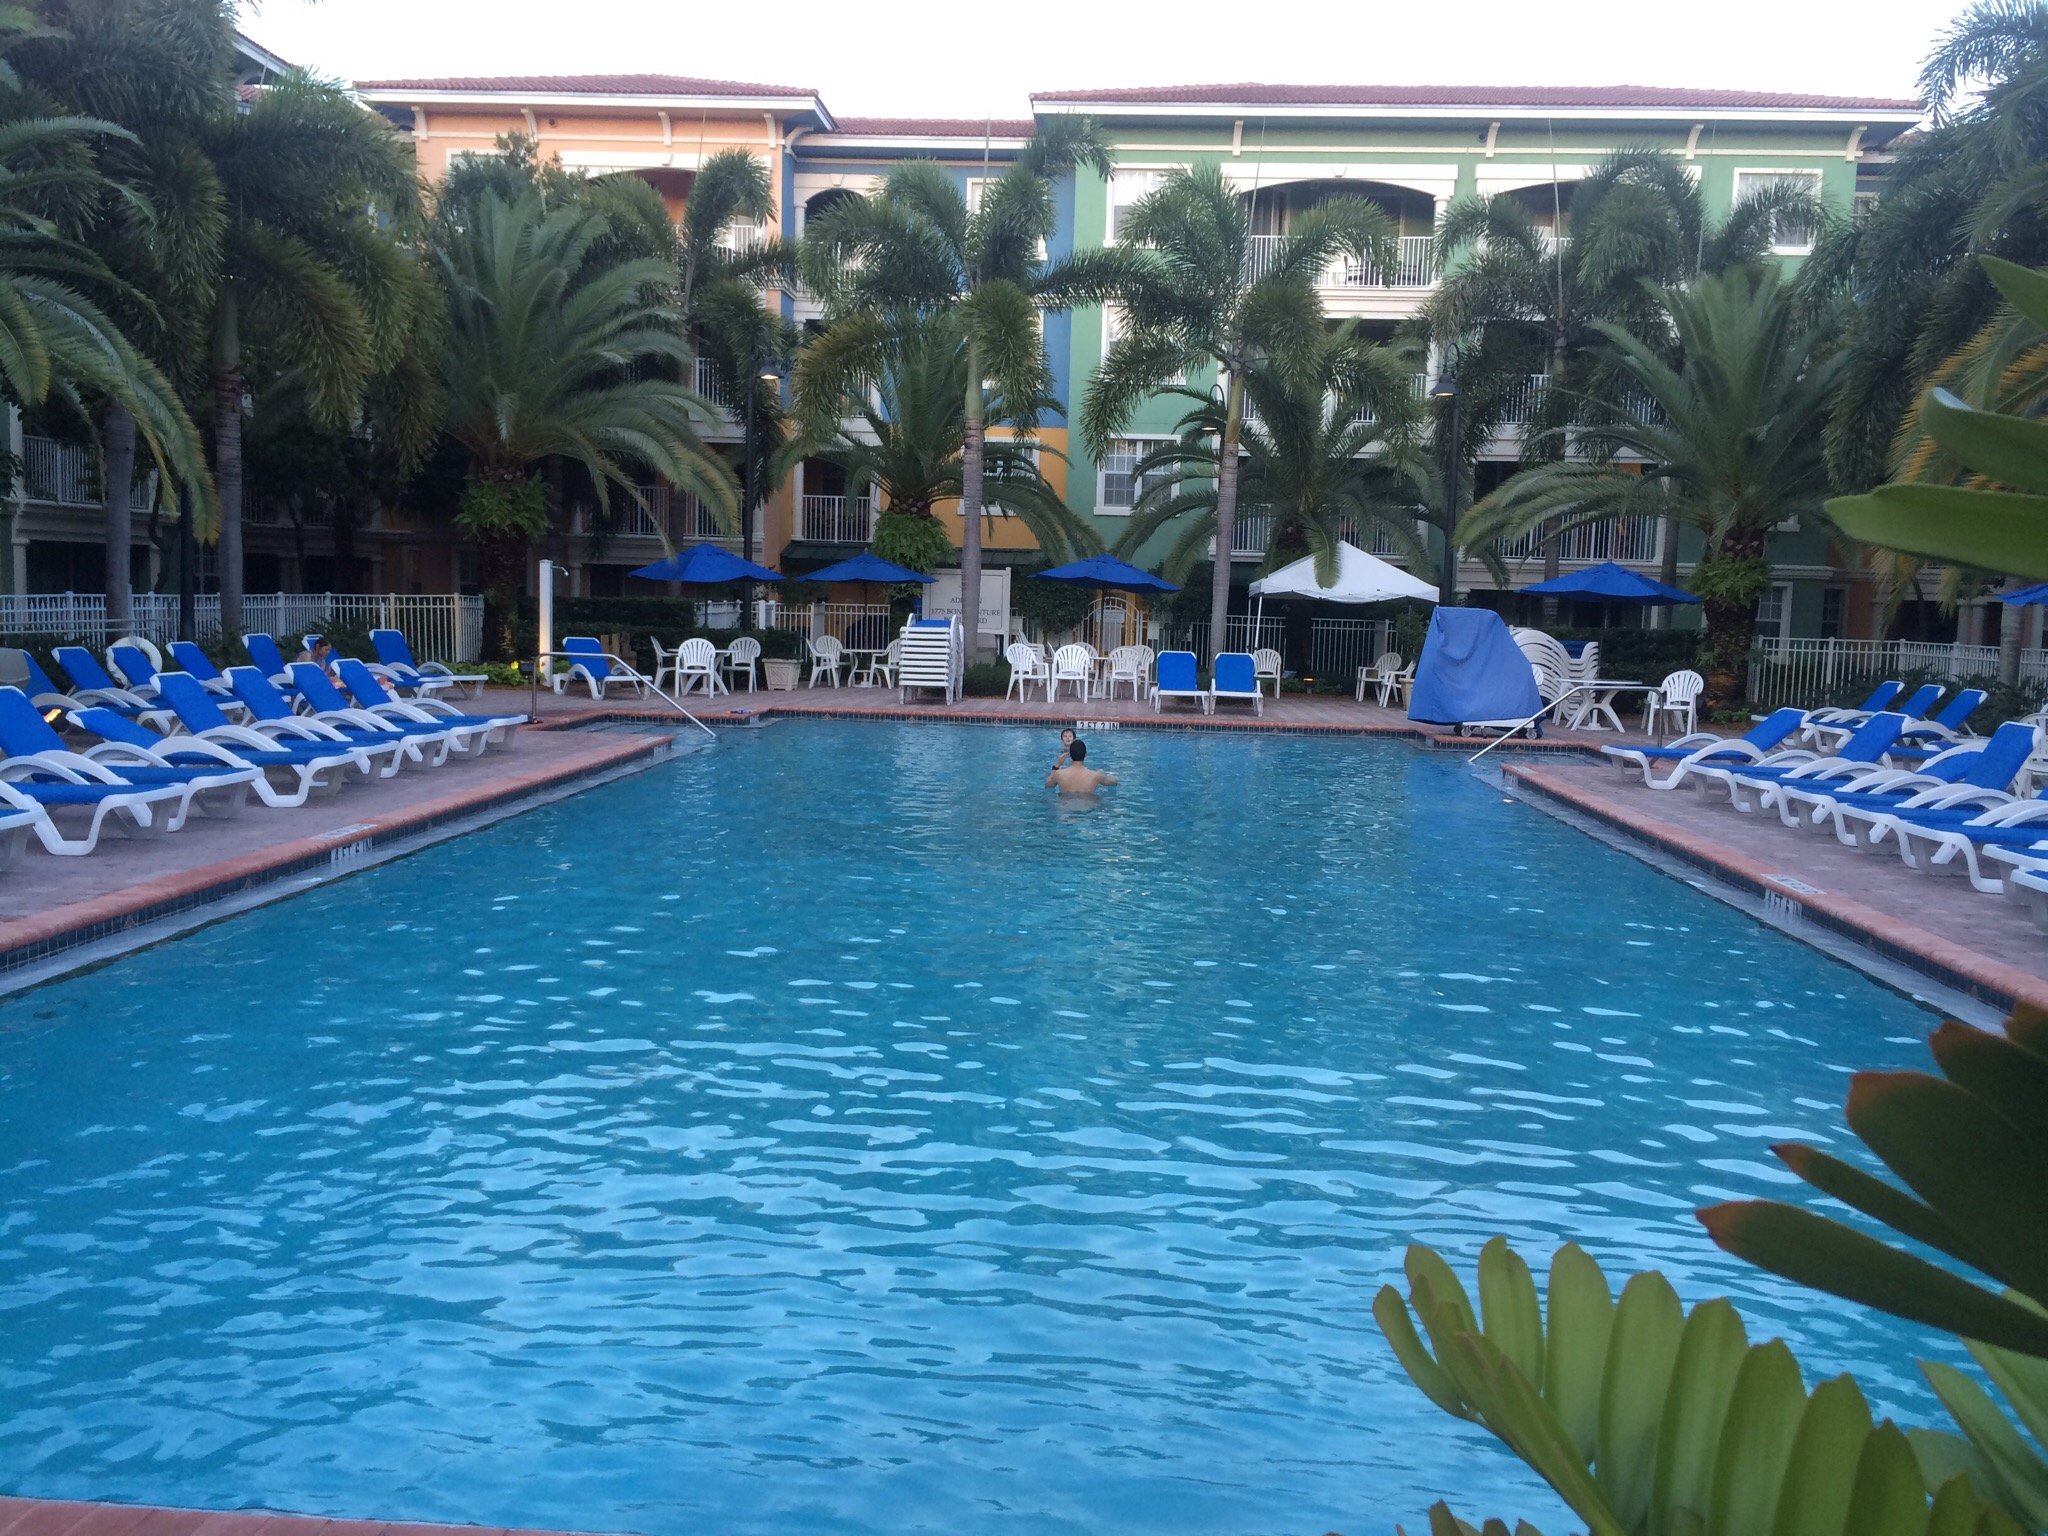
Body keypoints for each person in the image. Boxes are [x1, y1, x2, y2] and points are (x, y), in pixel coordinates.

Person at [1045, 736, 1118, 796]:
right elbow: (1114, 782)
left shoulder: (1059, 774)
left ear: (1070, 755)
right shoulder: (1096, 775)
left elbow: (1048, 785)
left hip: (1065, 806)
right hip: (1089, 807)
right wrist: (1110, 775)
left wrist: (1057, 765)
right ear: (1085, 754)